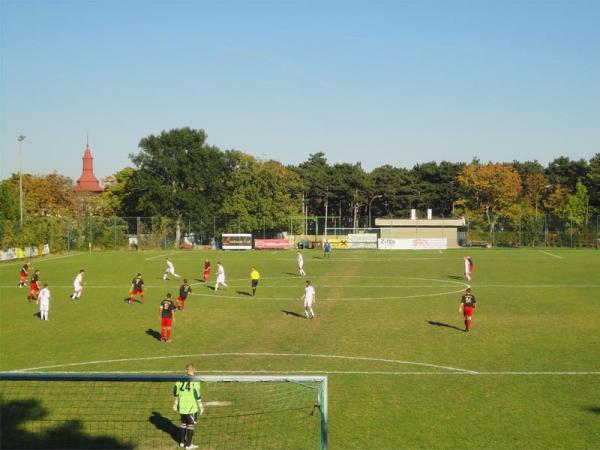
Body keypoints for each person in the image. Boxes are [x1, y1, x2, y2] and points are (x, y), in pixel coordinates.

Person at [172, 363, 204, 449]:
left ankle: (182, 442)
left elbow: (175, 391)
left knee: (183, 423)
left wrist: (175, 403)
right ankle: (189, 445)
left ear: (186, 370)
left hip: (182, 406)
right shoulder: (195, 381)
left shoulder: (179, 379)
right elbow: (197, 394)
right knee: (190, 425)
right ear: (194, 370)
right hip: (191, 407)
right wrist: (201, 406)